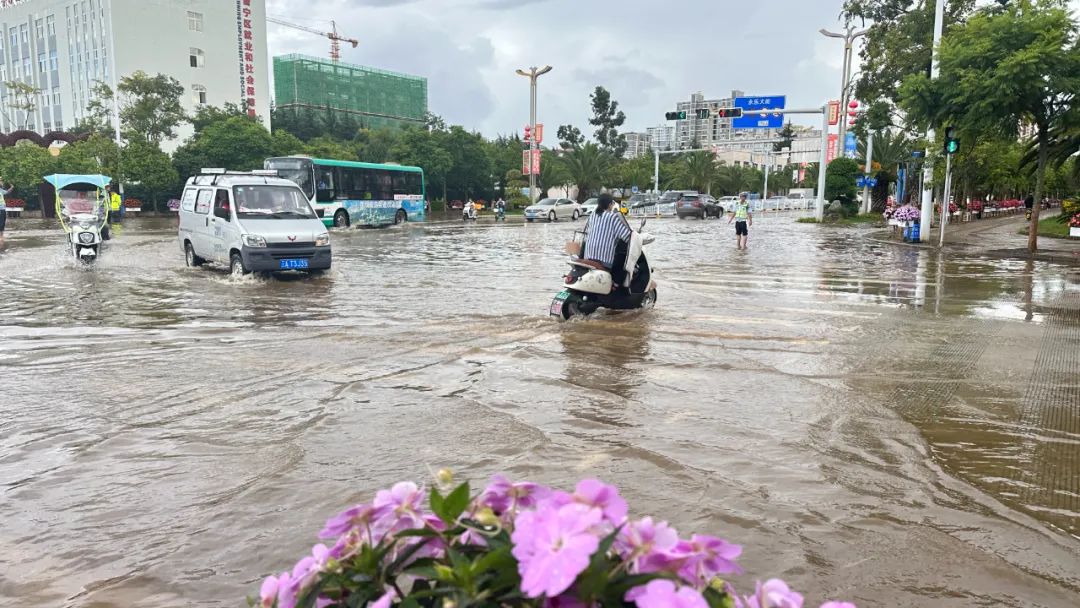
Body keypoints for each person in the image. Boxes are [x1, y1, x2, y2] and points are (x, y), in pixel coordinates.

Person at [584, 193, 632, 286]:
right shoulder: (612, 217)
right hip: (603, 261)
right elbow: (627, 236)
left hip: (588, 256)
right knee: (620, 264)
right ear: (610, 204)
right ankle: (616, 285)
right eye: (612, 203)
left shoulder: (592, 215)